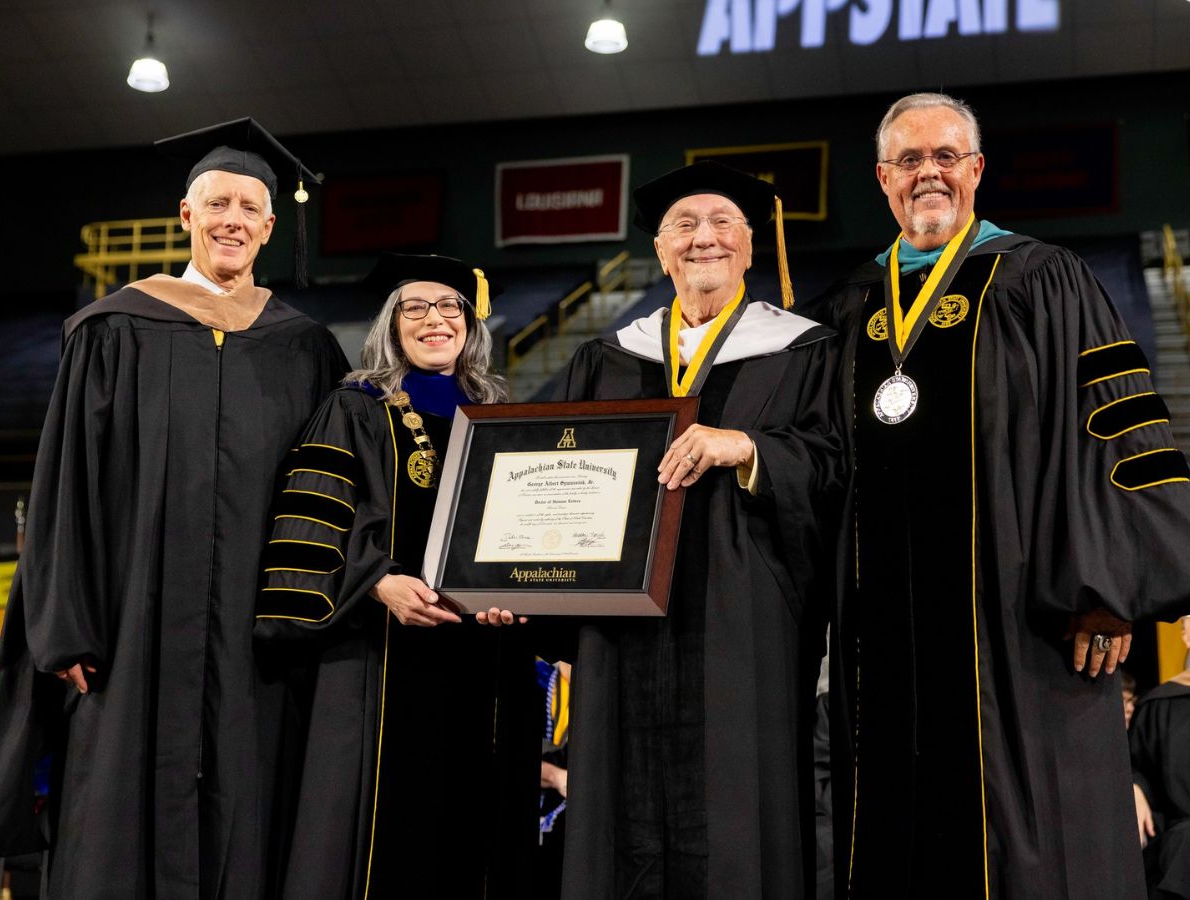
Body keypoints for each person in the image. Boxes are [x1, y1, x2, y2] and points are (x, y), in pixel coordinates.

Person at [813, 92, 1190, 898]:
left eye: (946, 157)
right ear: (883, 179)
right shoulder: (849, 307)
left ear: (976, 170)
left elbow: (1114, 428)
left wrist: (1106, 591)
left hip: (1021, 635)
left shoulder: (1042, 279)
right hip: (879, 644)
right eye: (910, 161)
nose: (929, 175)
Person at [0, 118, 348, 898]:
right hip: (131, 626)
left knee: (247, 803)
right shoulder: (114, 328)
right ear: (185, 216)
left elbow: (332, 489)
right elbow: (64, 487)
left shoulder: (306, 349)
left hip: (256, 635)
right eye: (217, 203)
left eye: (249, 209)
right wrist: (66, 627)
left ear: (269, 226)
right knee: (118, 803)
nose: (232, 220)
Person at [519, 161, 843, 898]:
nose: (704, 239)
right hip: (620, 637)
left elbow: (835, 471)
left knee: (736, 810)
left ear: (751, 248)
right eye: (685, 227)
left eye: (722, 223)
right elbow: (548, 487)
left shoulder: (803, 351)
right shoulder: (605, 358)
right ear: (661, 252)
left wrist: (751, 448)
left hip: (747, 627)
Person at [255, 254, 538, 899]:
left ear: (470, 325)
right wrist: (376, 581)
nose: (436, 320)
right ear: (392, 324)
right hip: (379, 653)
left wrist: (517, 596)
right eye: (416, 308)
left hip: (483, 656)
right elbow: (309, 523)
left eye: (451, 308)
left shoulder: (503, 417)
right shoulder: (354, 409)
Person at [1131, 616, 1190, 899]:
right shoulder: (1159, 705)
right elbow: (1137, 766)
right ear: (1186, 634)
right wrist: (1135, 785)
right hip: (1179, 843)